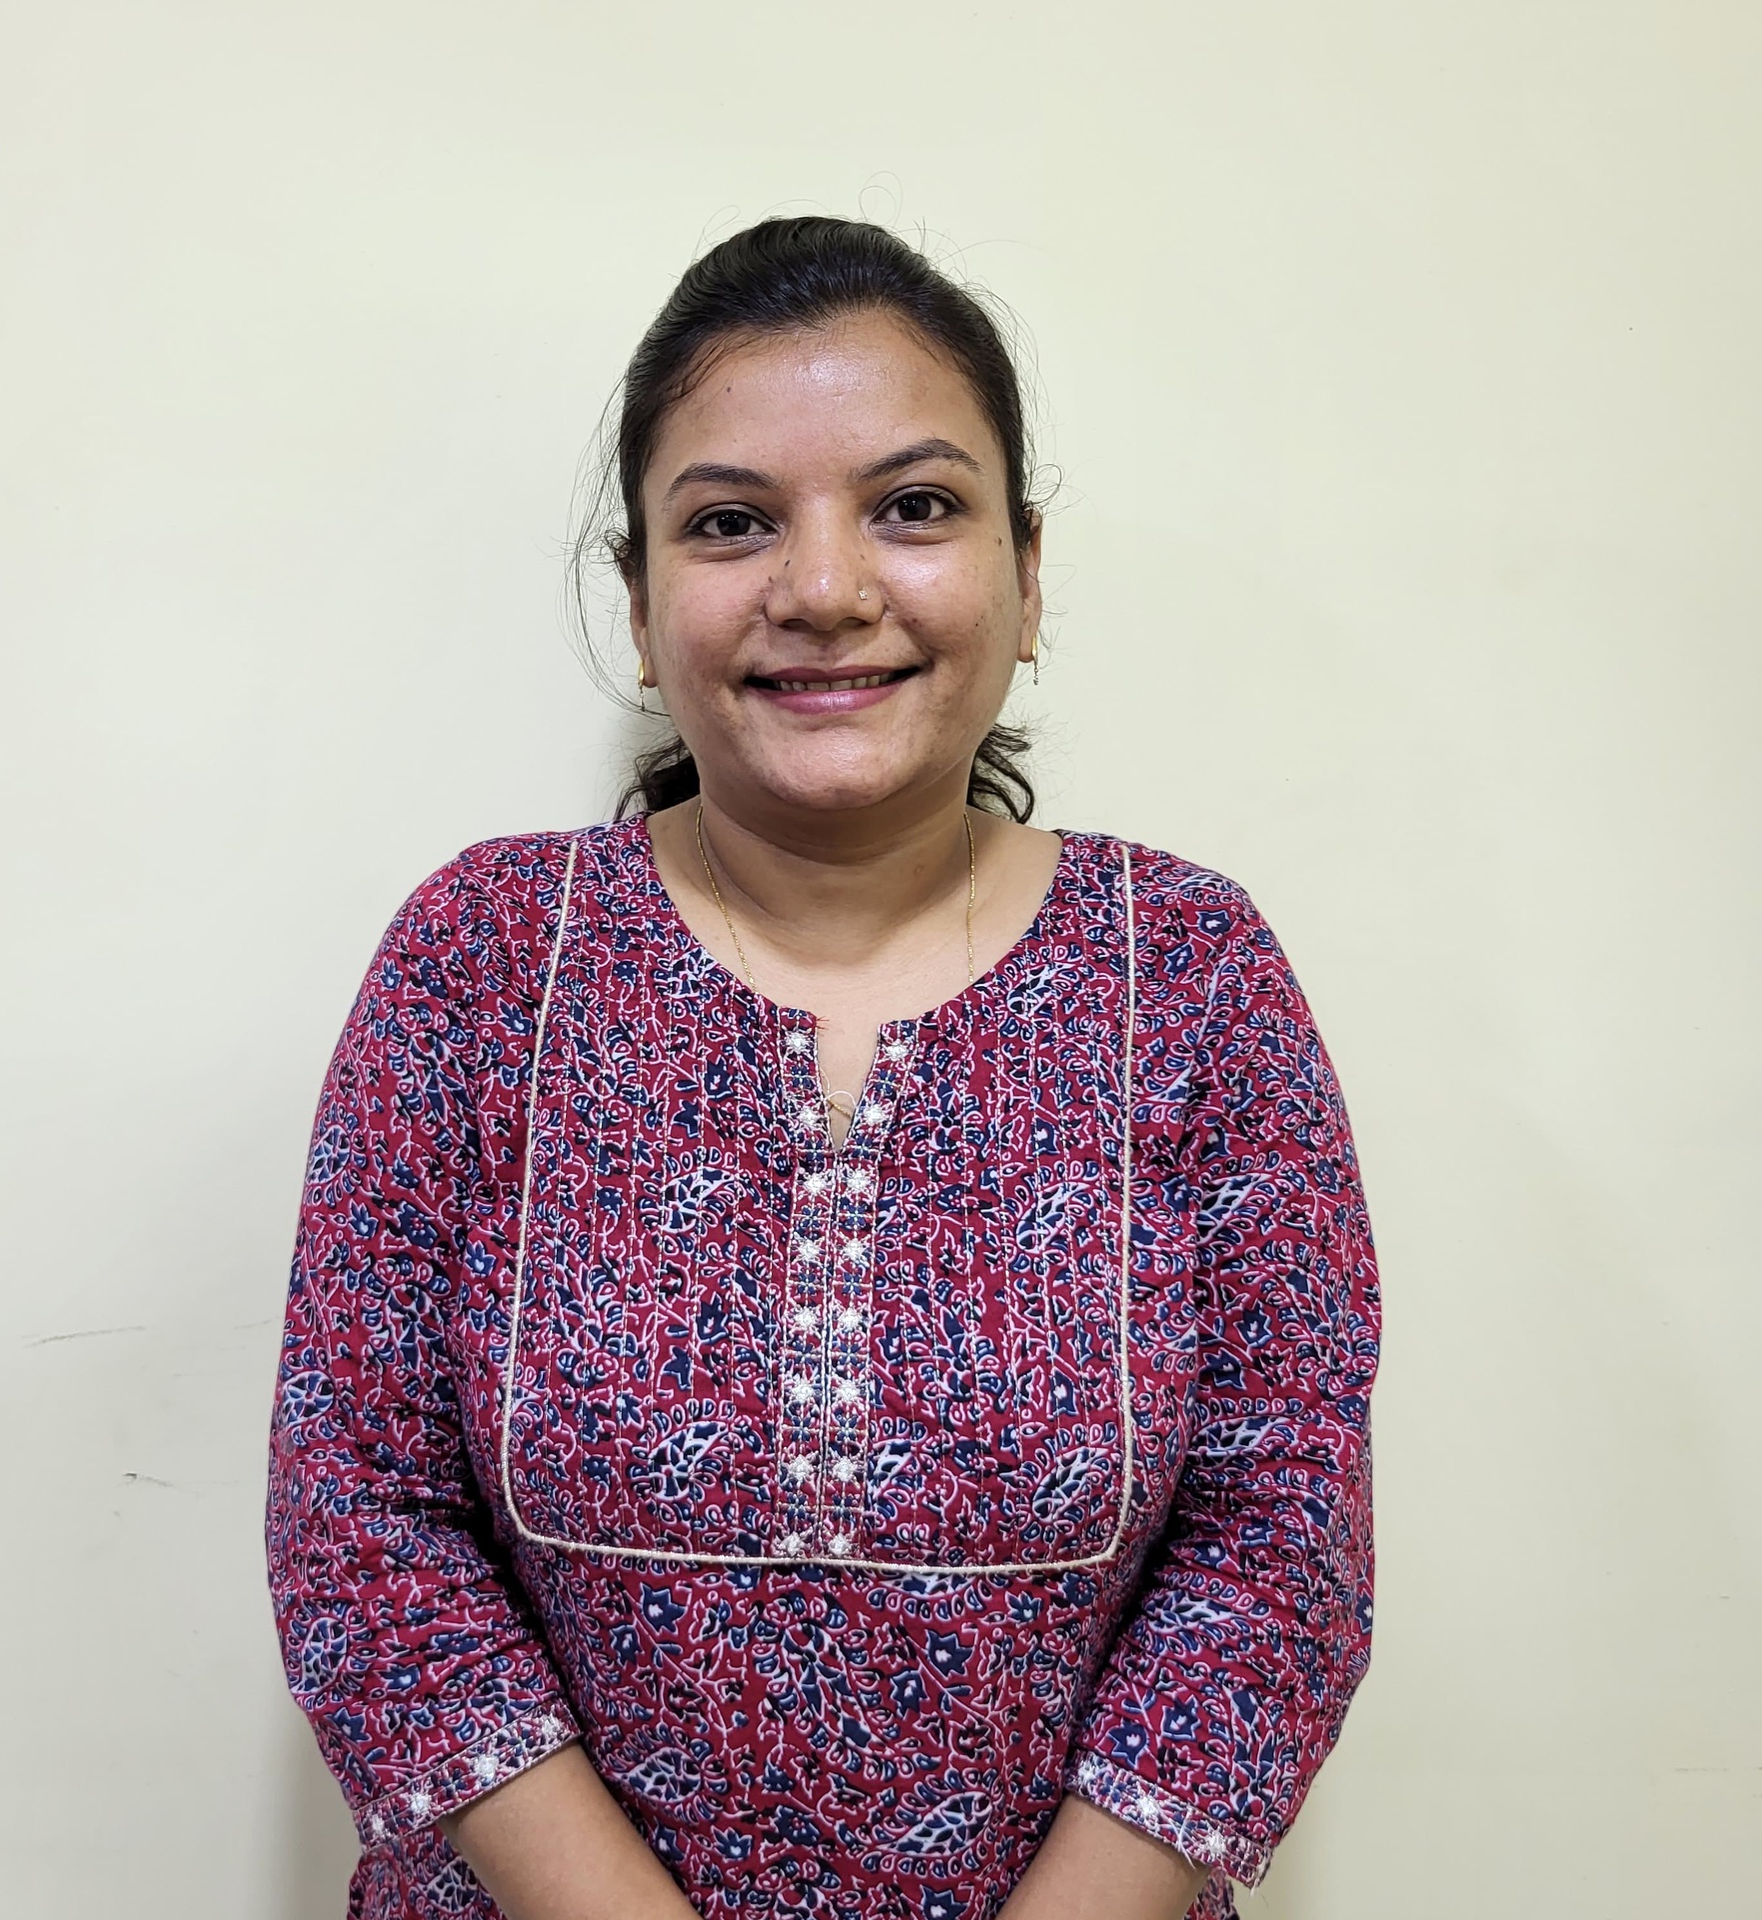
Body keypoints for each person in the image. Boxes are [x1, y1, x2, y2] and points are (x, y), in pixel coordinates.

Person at [267, 216, 1379, 1920]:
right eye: (731, 522)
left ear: (1027, 574)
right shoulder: (484, 961)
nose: (827, 588)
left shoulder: (1194, 975)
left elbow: (1276, 1551)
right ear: (643, 607)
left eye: (914, 507)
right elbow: (362, 1521)